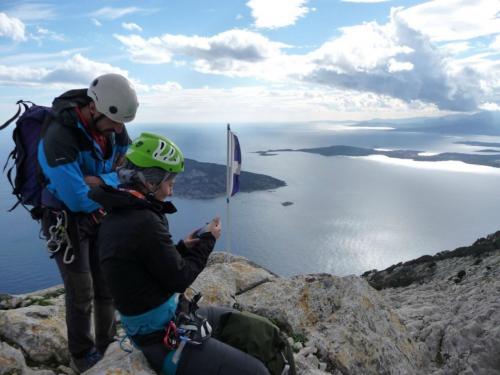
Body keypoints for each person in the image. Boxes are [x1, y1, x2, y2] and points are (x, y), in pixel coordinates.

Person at [88, 132, 269, 374]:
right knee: (257, 371)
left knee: (254, 329)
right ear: (150, 182)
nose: (171, 192)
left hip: (164, 319)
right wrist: (208, 241)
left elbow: (148, 264)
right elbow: (180, 278)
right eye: (169, 184)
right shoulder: (143, 221)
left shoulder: (119, 213)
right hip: (160, 336)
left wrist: (183, 247)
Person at [38, 73, 139, 373]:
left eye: (123, 124)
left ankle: (107, 345)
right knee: (81, 290)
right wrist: (113, 182)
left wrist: (101, 180)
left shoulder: (114, 127)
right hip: (65, 221)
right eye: (115, 122)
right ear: (94, 109)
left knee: (106, 282)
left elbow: (131, 171)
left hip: (99, 214)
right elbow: (78, 200)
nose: (120, 130)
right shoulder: (59, 138)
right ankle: (82, 356)